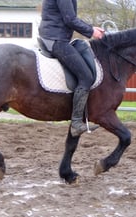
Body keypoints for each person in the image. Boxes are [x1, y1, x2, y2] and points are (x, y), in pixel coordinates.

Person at [38, 0, 105, 137]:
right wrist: (91, 31)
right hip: (56, 39)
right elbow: (70, 19)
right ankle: (76, 123)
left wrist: (91, 28)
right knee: (86, 77)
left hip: (55, 37)